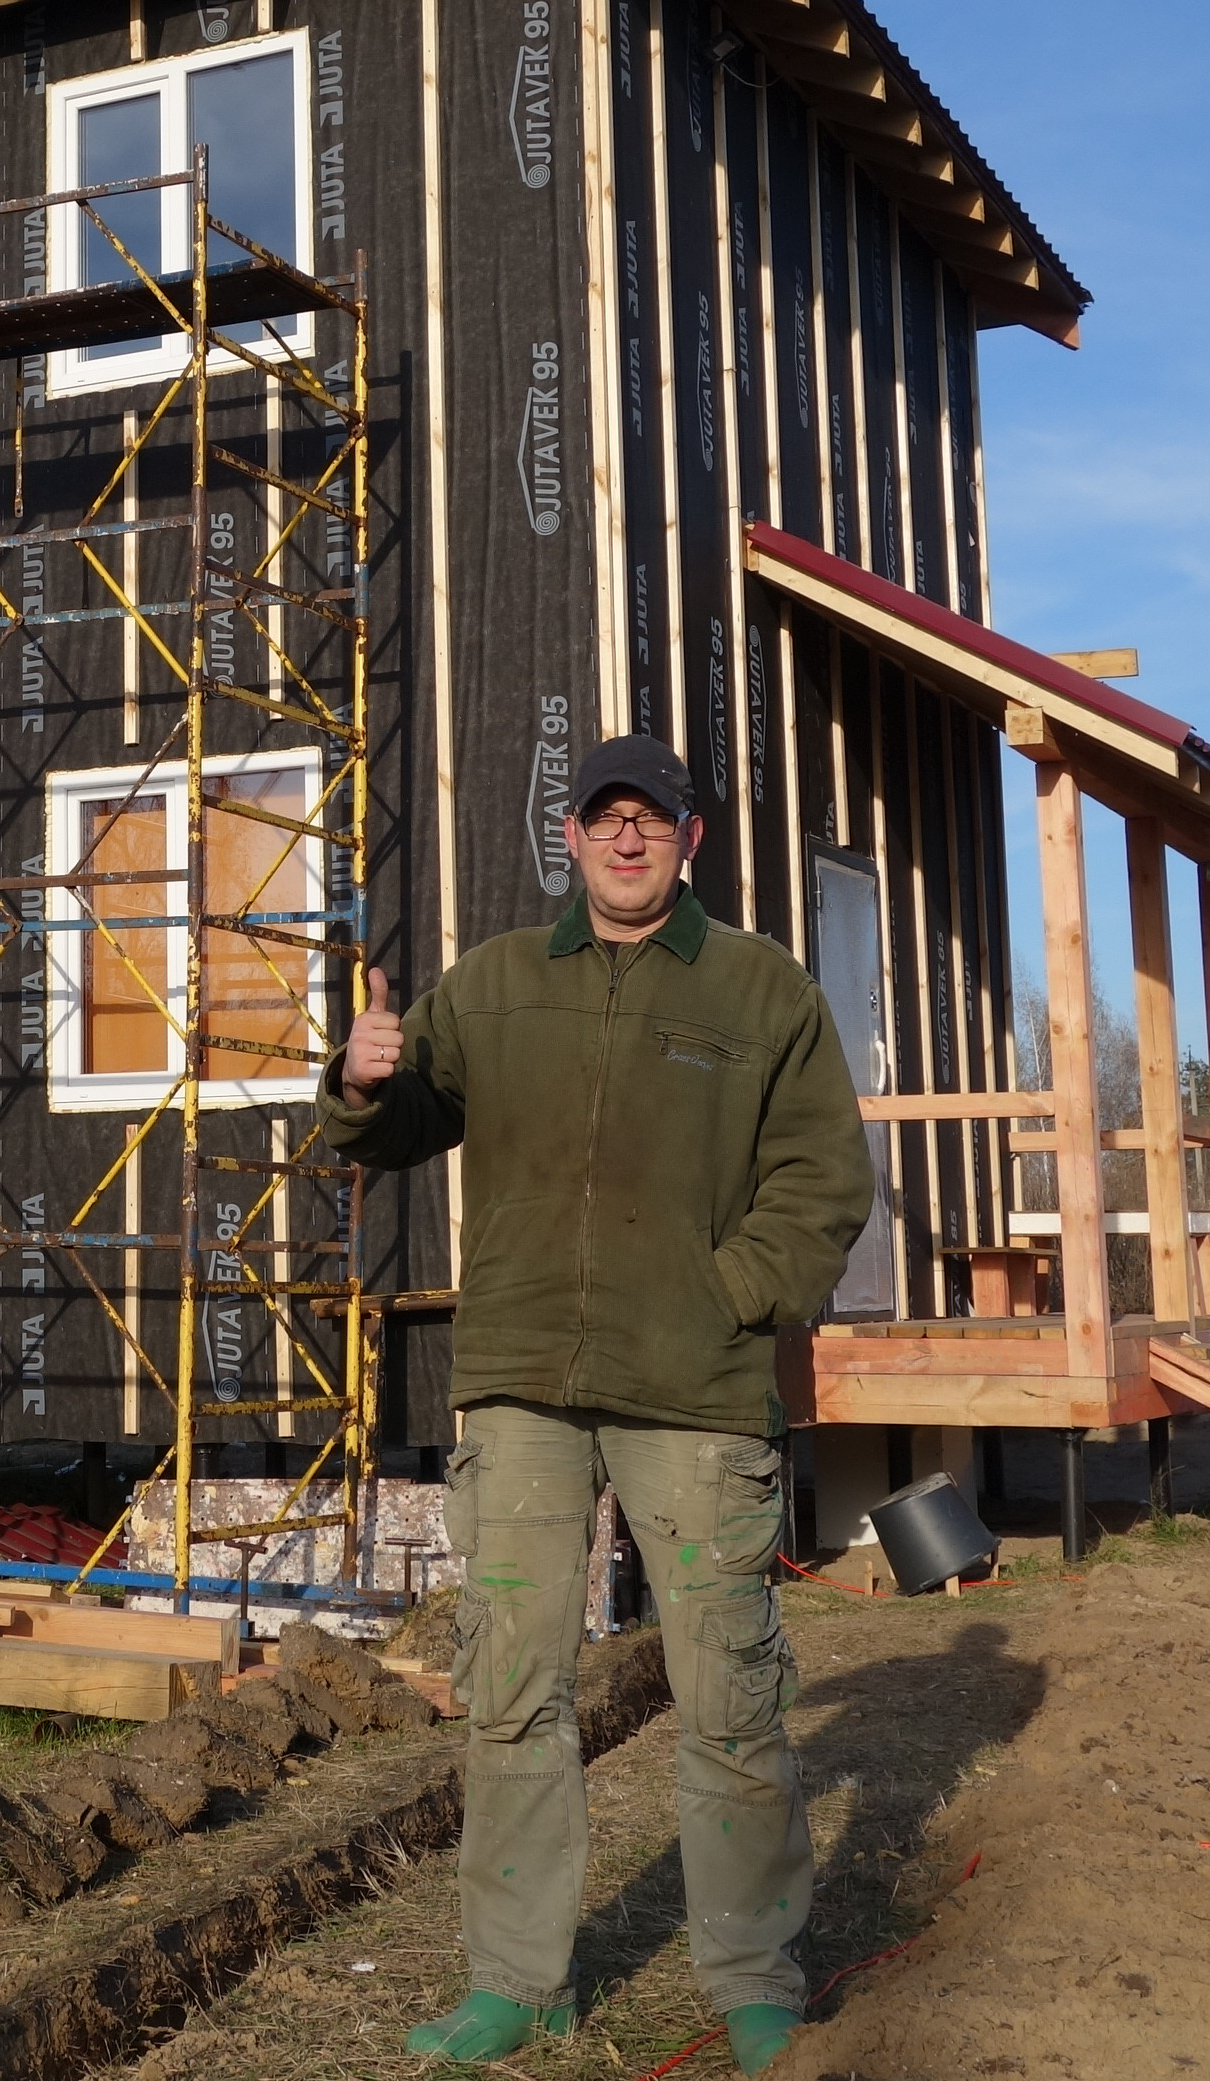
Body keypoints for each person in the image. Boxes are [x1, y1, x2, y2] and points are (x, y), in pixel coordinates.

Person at [320, 733, 872, 2072]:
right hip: (522, 1387)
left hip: (696, 1387)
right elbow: (397, 1130)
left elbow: (823, 1179)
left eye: (653, 820)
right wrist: (359, 1079)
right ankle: (518, 1981)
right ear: (567, 838)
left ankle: (751, 1976)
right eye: (603, 818)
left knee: (728, 1692)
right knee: (511, 1685)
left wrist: (727, 1292)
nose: (627, 841)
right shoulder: (498, 986)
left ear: (691, 841)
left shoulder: (761, 992)